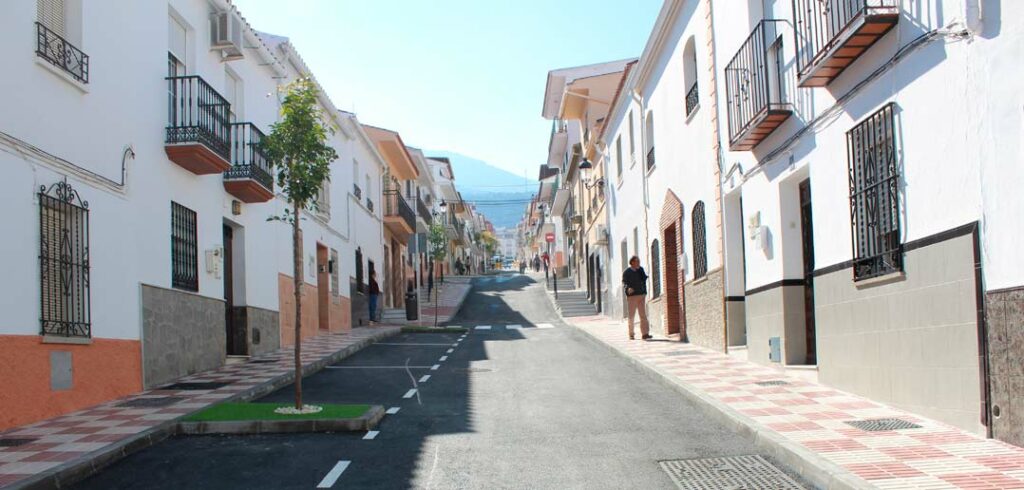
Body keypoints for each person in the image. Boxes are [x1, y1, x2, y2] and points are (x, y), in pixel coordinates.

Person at [622, 256, 652, 340]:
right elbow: (624, 282)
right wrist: (628, 288)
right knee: (631, 315)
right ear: (632, 262)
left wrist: (642, 273)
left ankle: (645, 333)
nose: (638, 263)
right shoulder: (627, 272)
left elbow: (643, 278)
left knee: (643, 315)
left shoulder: (640, 269)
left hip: (641, 295)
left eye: (639, 261)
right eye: (637, 261)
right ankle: (631, 333)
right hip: (632, 296)